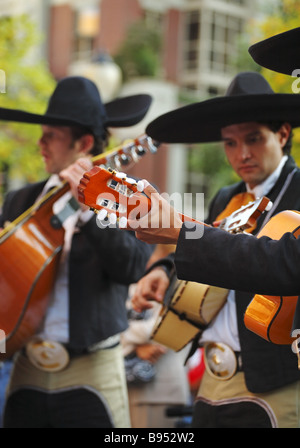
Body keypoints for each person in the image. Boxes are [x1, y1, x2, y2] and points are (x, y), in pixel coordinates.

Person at [123, 71, 300, 427]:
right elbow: (214, 248)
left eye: (253, 138)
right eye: (230, 143)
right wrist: (162, 270)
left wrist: (177, 231)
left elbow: (273, 262)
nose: (242, 154)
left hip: (277, 381)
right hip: (212, 378)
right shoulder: (226, 197)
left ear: (282, 134)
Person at [0, 76, 154, 428]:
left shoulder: (127, 197)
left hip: (92, 373)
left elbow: (131, 267)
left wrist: (90, 207)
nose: (40, 143)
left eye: (50, 135)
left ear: (84, 143)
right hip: (25, 369)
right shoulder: (20, 200)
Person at [121, 246, 190, 428]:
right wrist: (133, 346)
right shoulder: (130, 271)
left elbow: (172, 325)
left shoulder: (184, 276)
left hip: (161, 391)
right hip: (125, 387)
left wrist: (123, 336)